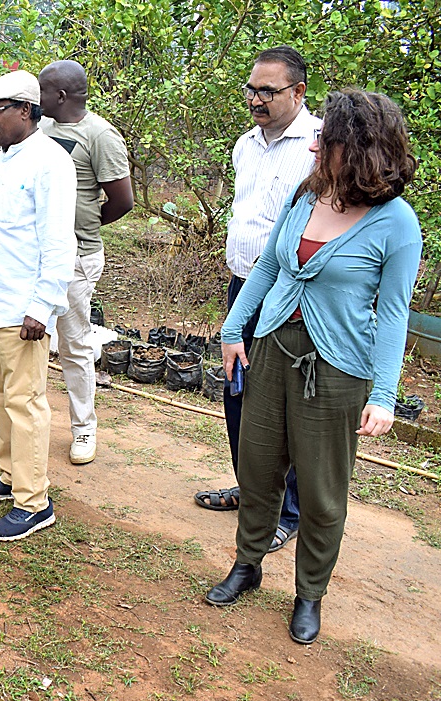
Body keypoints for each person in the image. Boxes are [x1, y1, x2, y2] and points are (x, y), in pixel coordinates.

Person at [205, 88, 421, 645]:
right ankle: (247, 564)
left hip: (337, 368)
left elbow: (394, 314)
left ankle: (309, 594)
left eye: (327, 139)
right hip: (272, 349)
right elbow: (268, 267)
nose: (313, 146)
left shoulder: (396, 222)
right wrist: (234, 328)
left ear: (362, 148)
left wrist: (384, 394)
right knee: (257, 469)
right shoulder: (306, 195)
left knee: (322, 492)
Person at [0, 61, 134, 463]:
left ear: (60, 96)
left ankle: (83, 427)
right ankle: (13, 418)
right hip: (32, 257)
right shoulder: (37, 133)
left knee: (72, 344)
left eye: (43, 88)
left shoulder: (99, 135)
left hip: (74, 254)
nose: (36, 93)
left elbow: (122, 201)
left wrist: (79, 224)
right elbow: (9, 169)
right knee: (22, 358)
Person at [193, 46, 320, 554]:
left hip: (290, 297)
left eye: (268, 91)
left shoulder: (319, 145)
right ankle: (252, 490)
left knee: (283, 404)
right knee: (237, 390)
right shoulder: (246, 145)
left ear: (299, 92)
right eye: (251, 89)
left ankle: (287, 511)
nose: (255, 99)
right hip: (242, 286)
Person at [0, 70, 76, 541]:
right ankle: (10, 476)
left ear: (25, 110)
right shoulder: (9, 156)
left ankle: (33, 501)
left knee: (25, 402)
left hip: (22, 308)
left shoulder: (50, 162)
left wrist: (41, 307)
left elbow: (58, 242)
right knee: (3, 396)